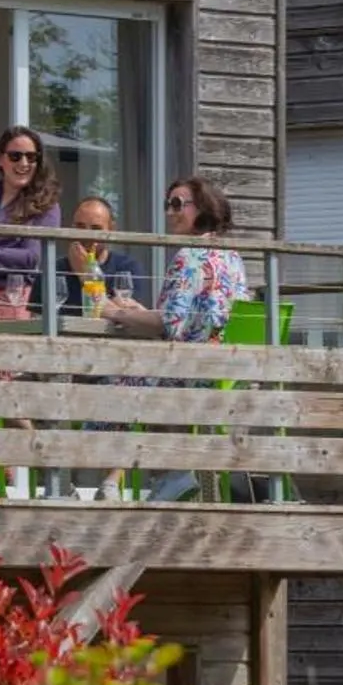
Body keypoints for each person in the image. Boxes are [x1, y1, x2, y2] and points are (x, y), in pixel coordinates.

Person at [105, 176, 248, 502]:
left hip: (191, 374)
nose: (170, 212)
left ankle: (129, 479)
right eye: (168, 204)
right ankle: (169, 473)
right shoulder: (233, 256)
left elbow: (169, 324)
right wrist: (141, 311)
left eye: (177, 204)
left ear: (204, 208)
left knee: (119, 379)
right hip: (227, 374)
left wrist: (113, 313)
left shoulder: (189, 255)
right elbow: (191, 317)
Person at [0, 127, 62, 308]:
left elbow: (30, 258)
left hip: (9, 300)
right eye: (15, 156)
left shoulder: (47, 205)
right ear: (1, 160)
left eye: (31, 157)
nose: (24, 163)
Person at [60, 193, 146, 317]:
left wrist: (87, 273)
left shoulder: (127, 268)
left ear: (111, 230)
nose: (87, 234)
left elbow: (129, 317)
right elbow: (37, 318)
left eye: (96, 228)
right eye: (80, 226)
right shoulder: (54, 269)